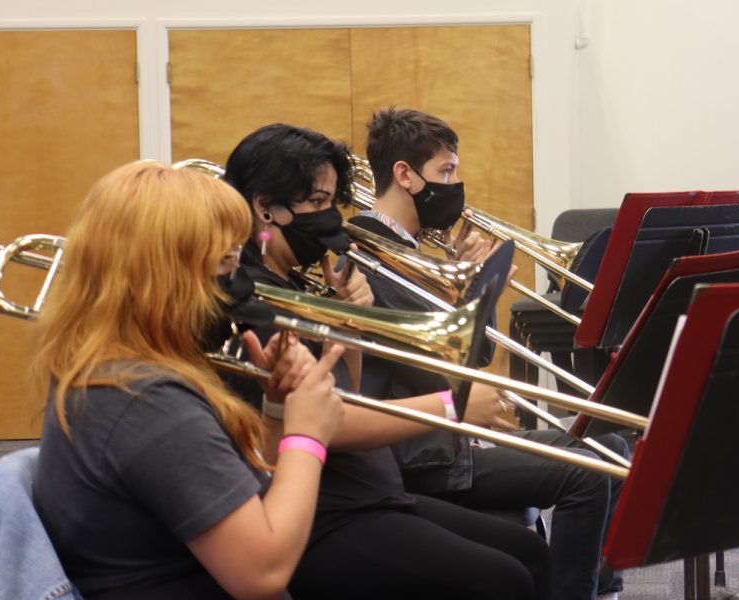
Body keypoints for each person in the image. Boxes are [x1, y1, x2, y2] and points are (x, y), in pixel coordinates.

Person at [222, 123, 551, 600]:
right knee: (504, 579)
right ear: (265, 206)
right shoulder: (255, 298)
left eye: (333, 201)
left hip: (374, 494)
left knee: (532, 555)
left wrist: (352, 325)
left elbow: (343, 388)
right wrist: (450, 404)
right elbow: (320, 422)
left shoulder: (292, 281)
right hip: (328, 515)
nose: (330, 218)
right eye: (316, 203)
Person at [33, 160, 346, 599]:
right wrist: (308, 437)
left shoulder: (107, 373)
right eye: (224, 263)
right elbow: (264, 572)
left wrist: (276, 408)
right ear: (165, 277)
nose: (236, 286)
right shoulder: (147, 402)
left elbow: (256, 504)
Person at [352, 107, 629, 600]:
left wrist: (475, 284)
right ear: (404, 175)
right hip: (421, 455)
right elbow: (452, 364)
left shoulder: (414, 254)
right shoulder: (375, 257)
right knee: (590, 471)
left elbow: (475, 352)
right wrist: (471, 288)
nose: (456, 185)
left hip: (446, 440)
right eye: (446, 172)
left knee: (616, 448)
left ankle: (598, 586)